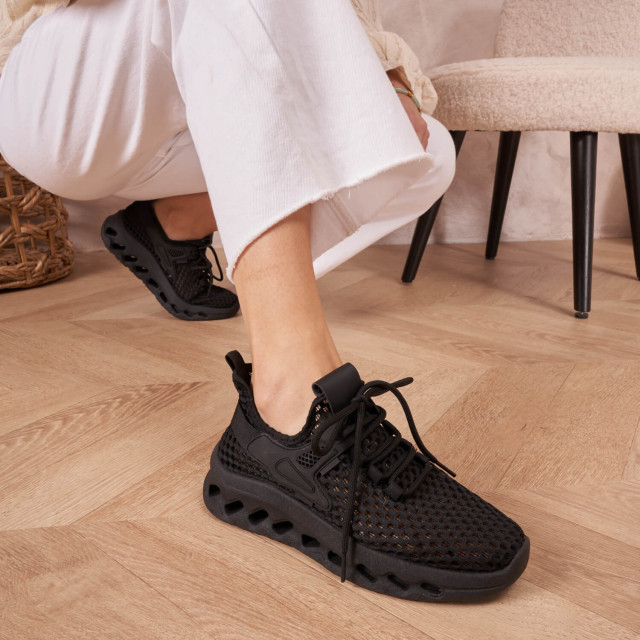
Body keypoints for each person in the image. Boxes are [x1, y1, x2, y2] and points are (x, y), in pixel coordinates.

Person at [0, 0, 529, 601]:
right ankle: (289, 397)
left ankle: (173, 221)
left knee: (422, 151)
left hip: (198, 84)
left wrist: (386, 77)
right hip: (72, 90)